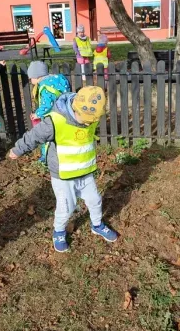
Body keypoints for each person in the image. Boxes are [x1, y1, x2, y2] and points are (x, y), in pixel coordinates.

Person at [9, 86, 118, 252]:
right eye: (87, 120)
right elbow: (34, 136)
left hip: (85, 171)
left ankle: (97, 224)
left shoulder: (90, 114)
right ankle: (59, 231)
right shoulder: (55, 121)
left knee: (95, 200)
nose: (90, 123)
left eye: (93, 119)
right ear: (75, 108)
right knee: (67, 206)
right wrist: (18, 149)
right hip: (63, 175)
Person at [27, 60, 71, 163]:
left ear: (37, 76)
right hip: (64, 114)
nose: (30, 80)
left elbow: (47, 105)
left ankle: (45, 159)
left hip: (52, 118)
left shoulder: (44, 87)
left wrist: (37, 114)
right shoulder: (58, 80)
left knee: (46, 138)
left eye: (31, 78)